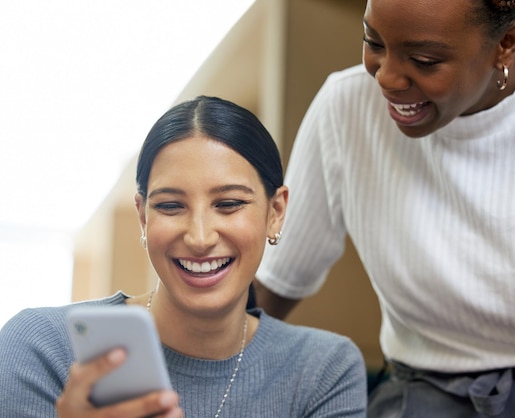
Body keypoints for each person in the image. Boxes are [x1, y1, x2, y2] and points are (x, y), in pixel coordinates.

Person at [253, 0, 515, 416]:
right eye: (372, 42)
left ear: (506, 42)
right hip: (417, 395)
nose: (388, 78)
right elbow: (271, 286)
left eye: (424, 60)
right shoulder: (345, 108)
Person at [0, 96, 368, 417]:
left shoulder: (323, 371)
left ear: (276, 212)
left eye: (228, 204)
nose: (200, 237)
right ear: (143, 217)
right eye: (171, 206)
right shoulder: (41, 349)